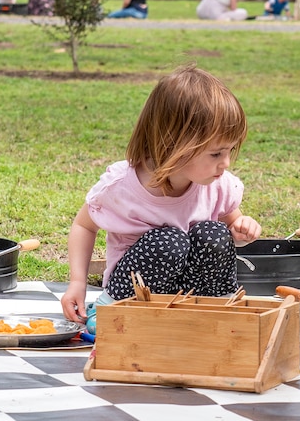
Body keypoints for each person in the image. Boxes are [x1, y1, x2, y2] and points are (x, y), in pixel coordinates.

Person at [61, 64, 262, 329]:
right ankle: (112, 310)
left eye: (230, 151)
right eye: (216, 154)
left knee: (213, 234)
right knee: (169, 242)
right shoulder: (123, 186)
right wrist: (77, 282)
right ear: (173, 144)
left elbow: (229, 219)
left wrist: (240, 227)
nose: (225, 163)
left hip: (193, 296)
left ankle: (215, 313)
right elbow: (84, 225)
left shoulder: (217, 184)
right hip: (135, 293)